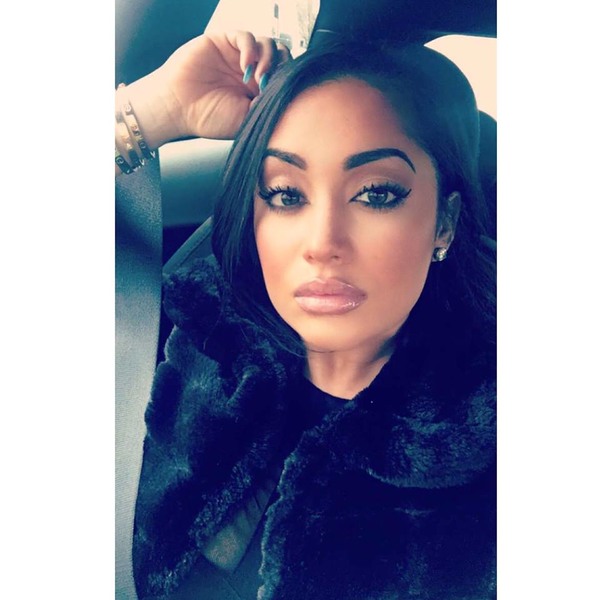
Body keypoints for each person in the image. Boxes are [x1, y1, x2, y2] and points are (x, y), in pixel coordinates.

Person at [116, 31, 496, 600]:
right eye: (286, 194)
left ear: (444, 223)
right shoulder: (196, 335)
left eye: (376, 193)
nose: (322, 244)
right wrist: (154, 111)